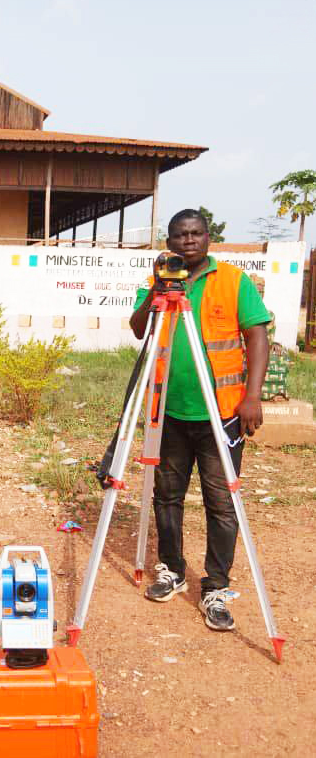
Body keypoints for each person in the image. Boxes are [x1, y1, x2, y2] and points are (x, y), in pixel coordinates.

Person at [130, 208, 269, 630]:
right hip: (168, 411)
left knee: (221, 503)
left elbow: (257, 335)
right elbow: (139, 329)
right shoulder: (159, 279)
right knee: (166, 495)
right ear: (169, 241)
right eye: (179, 235)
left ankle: (215, 586)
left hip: (222, 412)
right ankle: (170, 568)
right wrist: (157, 287)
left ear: (208, 238)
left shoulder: (232, 280)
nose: (188, 241)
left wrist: (253, 395)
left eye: (195, 234)